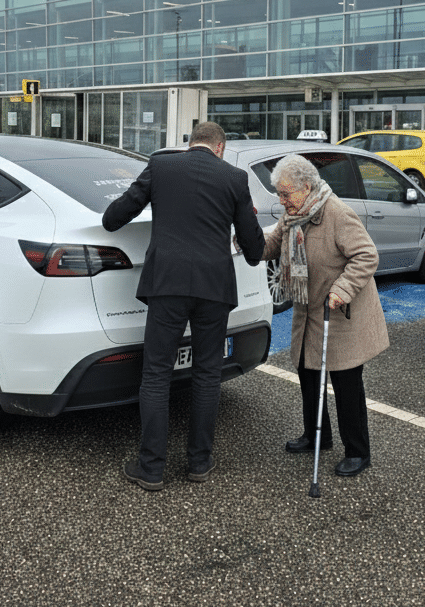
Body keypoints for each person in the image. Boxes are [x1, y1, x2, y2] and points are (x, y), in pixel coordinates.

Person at [103, 121, 264, 491]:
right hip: (214, 287)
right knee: (207, 374)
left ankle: (151, 467)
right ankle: (199, 462)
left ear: (190, 144)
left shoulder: (161, 167)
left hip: (168, 284)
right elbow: (254, 250)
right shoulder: (235, 179)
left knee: (156, 374)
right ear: (220, 147)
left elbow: (115, 218)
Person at [262, 154, 389, 477]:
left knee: (346, 385)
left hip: (341, 312)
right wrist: (244, 238)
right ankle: (317, 436)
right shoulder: (294, 216)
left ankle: (358, 452)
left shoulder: (336, 214)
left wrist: (342, 289)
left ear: (306, 187)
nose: (282, 200)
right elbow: (271, 244)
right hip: (308, 311)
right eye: (279, 193)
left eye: (286, 193)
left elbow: (366, 255)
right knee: (309, 375)